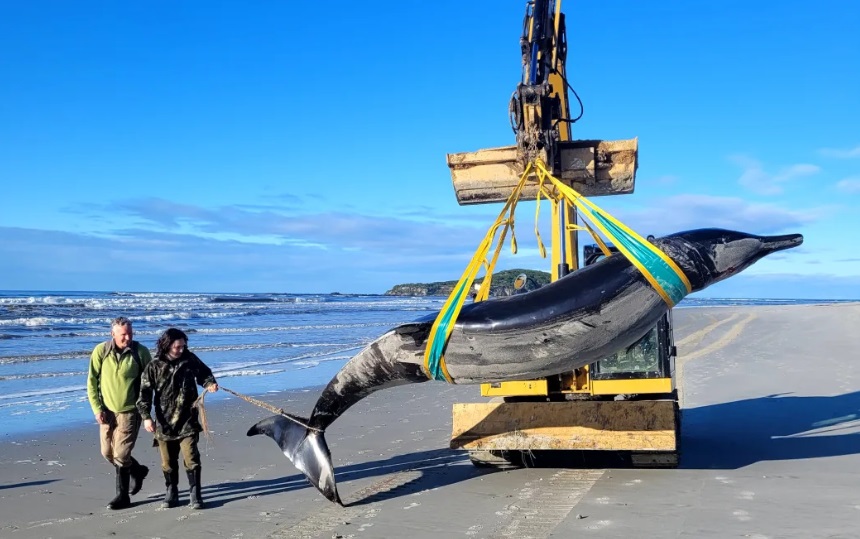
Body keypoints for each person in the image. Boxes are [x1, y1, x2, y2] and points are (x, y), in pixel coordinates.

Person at [137, 327, 218, 510]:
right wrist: (146, 417)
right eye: (177, 347)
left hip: (188, 419)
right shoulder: (154, 365)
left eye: (183, 346)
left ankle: (195, 494)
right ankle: (171, 491)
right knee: (167, 462)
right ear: (167, 345)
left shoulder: (189, 359)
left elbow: (204, 374)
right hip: (164, 422)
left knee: (191, 457)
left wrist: (210, 383)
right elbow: (144, 393)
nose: (181, 350)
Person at [87, 316, 153, 510]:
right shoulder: (101, 351)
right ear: (113, 334)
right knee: (107, 453)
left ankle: (122, 496)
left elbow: (149, 384)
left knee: (121, 454)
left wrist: (146, 412)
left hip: (130, 412)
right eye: (123, 334)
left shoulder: (140, 352)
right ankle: (138, 471)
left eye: (130, 334)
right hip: (107, 412)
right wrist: (97, 408)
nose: (127, 338)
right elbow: (92, 382)